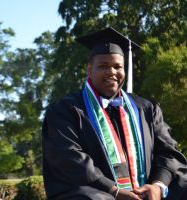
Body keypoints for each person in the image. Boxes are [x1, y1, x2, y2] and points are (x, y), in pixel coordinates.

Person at [42, 27, 187, 200]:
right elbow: (68, 158)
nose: (111, 72)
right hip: (94, 190)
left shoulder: (146, 108)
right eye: (103, 66)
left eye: (118, 66)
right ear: (89, 70)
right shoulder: (65, 110)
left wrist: (157, 185)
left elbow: (169, 152)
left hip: (147, 190)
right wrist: (113, 191)